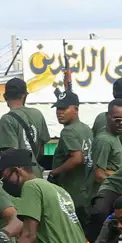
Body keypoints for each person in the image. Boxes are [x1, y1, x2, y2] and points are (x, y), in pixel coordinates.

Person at [48, 92, 96, 234]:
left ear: (75, 109)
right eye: (58, 108)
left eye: (64, 108)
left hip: (71, 195)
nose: (59, 112)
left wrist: (54, 172)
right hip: (86, 192)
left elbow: (77, 158)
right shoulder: (86, 129)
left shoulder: (68, 131)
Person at [85, 99, 122, 239]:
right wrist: (121, 183)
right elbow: (98, 175)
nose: (121, 123)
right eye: (117, 119)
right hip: (102, 202)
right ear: (108, 117)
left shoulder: (115, 137)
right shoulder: (104, 140)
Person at [0, 77, 51, 175]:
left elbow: (10, 155)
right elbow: (42, 151)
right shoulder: (37, 114)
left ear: (5, 96)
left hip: (19, 178)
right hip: (36, 174)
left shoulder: (7, 119)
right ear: (24, 95)